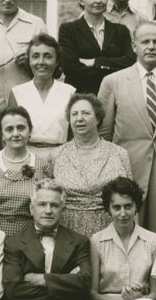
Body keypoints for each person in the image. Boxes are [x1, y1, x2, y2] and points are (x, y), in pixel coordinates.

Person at [97, 21, 156, 235]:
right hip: (126, 168)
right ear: (134, 46)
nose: (151, 46)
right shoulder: (113, 81)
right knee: (125, 233)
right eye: (145, 41)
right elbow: (104, 133)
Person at [51, 93, 133, 238]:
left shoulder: (119, 154)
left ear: (98, 118)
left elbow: (130, 200)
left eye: (86, 113)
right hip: (67, 233)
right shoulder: (56, 155)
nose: (79, 118)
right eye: (74, 114)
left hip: (110, 231)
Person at [0, 106, 55, 237]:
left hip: (29, 236)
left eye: (21, 128)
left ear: (30, 131)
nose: (16, 134)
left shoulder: (42, 166)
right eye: (9, 129)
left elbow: (48, 208)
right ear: (2, 134)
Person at [57, 0, 133, 94]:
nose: (98, 0)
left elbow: (129, 63)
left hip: (115, 96)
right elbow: (70, 67)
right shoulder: (69, 30)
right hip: (81, 97)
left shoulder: (120, 31)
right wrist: (111, 67)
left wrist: (95, 62)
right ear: (81, 0)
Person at [8, 34, 76, 154]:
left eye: (48, 56)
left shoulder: (69, 92)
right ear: (29, 61)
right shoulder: (17, 93)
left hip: (61, 156)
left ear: (56, 62)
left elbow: (74, 136)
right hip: (25, 158)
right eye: (35, 56)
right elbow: (9, 134)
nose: (41, 62)